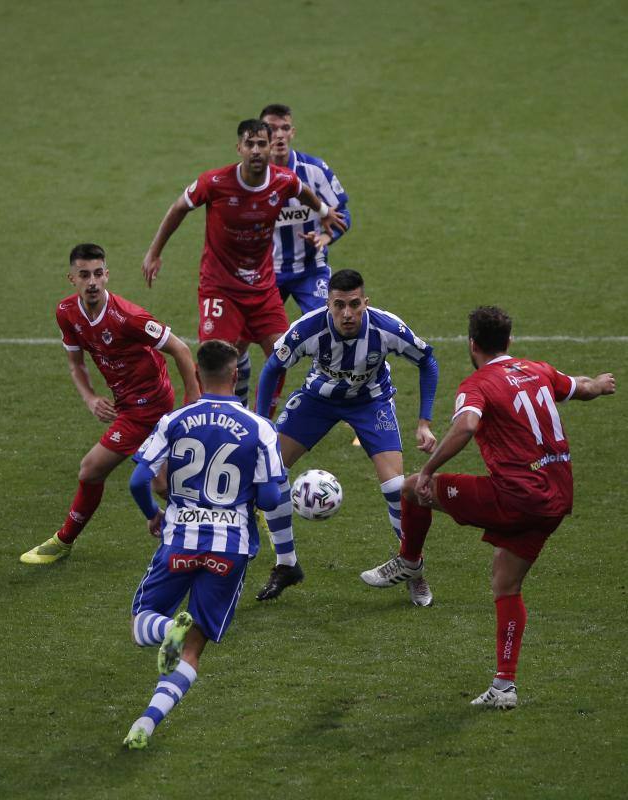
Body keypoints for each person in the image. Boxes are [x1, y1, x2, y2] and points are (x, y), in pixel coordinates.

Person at [361, 306, 616, 709]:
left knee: (412, 489)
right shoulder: (538, 369)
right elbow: (580, 387)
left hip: (516, 495)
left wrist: (429, 469)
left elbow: (465, 426)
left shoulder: (477, 384)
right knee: (505, 583)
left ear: (472, 344)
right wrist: (600, 385)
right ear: (509, 342)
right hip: (556, 497)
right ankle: (504, 686)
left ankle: (409, 561)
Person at [122, 340, 289, 749]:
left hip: (179, 540)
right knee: (194, 645)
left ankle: (165, 627)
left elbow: (139, 480)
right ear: (236, 375)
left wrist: (152, 514)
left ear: (196, 373)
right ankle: (147, 720)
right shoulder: (260, 428)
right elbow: (269, 500)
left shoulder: (175, 420)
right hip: (229, 549)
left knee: (140, 623)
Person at [254, 268, 439, 601]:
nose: (347, 313)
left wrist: (424, 421)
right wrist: (260, 420)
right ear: (328, 304)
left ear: (365, 302)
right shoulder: (308, 329)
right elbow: (272, 369)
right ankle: (286, 564)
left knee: (398, 489)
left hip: (370, 402)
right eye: (339, 305)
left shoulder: (386, 328)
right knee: (269, 472)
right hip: (317, 401)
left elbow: (428, 361)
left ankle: (413, 568)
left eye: (354, 304)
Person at [141, 119, 347, 413]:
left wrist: (324, 211)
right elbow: (179, 208)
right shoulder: (214, 183)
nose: (255, 150)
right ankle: (197, 418)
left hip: (263, 288)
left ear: (268, 147)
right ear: (239, 148)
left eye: (261, 144)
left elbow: (301, 189)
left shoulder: (281, 180)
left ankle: (260, 422)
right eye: (249, 144)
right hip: (220, 287)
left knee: (281, 355)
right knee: (215, 361)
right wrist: (154, 252)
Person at [20, 243, 200, 565]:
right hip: (127, 404)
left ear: (107, 276)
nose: (92, 282)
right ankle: (214, 521)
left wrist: (192, 401)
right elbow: (76, 364)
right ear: (71, 278)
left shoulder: (128, 317)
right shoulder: (67, 313)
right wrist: (90, 398)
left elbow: (181, 350)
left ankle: (63, 541)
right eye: (84, 275)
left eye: (98, 274)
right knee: (162, 481)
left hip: (149, 406)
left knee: (92, 470)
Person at [260, 103, 351, 315]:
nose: (279, 135)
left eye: (285, 128)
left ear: (292, 132)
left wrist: (325, 239)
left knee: (325, 327)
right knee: (244, 335)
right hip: (267, 272)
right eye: (272, 128)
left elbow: (344, 214)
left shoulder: (314, 170)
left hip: (311, 268)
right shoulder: (253, 177)